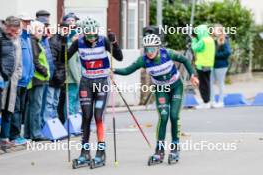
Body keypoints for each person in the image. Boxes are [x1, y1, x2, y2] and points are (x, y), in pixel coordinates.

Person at [113, 34, 199, 164]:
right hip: (160, 89)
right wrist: (112, 70)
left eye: (152, 49)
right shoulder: (143, 60)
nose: (150, 52)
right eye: (147, 49)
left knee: (174, 116)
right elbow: (127, 70)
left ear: (158, 47)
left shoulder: (168, 53)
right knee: (163, 117)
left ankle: (175, 147)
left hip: (176, 86)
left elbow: (185, 60)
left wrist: (192, 75)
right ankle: (159, 150)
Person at [65, 17, 123, 168]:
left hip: (102, 82)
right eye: (88, 35)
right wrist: (68, 43)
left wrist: (114, 42)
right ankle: (85, 152)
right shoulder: (79, 42)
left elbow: (119, 57)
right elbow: (62, 58)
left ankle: (100, 152)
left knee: (98, 116)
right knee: (86, 116)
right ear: (84, 33)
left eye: (94, 34)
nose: (92, 38)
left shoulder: (103, 40)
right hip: (86, 83)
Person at [8, 14, 35, 145]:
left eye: (29, 22)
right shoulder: (16, 38)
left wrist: (31, 73)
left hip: (26, 81)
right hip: (17, 81)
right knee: (16, 109)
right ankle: (14, 136)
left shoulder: (28, 38)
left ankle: (16, 135)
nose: (27, 24)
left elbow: (30, 57)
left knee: (20, 109)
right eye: (25, 22)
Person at [24, 21, 50, 141]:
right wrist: (44, 71)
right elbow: (36, 61)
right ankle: (36, 133)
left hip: (37, 79)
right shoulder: (34, 42)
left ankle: (29, 133)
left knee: (32, 106)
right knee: (36, 106)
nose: (41, 33)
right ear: (33, 31)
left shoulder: (35, 42)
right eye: (39, 30)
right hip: (37, 78)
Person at [0, 16, 22, 149]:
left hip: (12, 79)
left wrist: (18, 74)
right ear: (6, 27)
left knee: (8, 109)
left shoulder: (17, 39)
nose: (14, 33)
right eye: (12, 30)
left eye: (16, 31)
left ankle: (4, 138)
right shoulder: (2, 38)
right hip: (2, 78)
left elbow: (19, 60)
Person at [58, 12, 81, 124]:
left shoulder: (76, 37)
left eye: (73, 20)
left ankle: (74, 124)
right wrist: (78, 79)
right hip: (71, 78)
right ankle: (70, 124)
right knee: (70, 102)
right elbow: (72, 64)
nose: (72, 23)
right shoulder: (69, 42)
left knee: (74, 102)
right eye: (69, 20)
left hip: (75, 77)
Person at [191, 24, 215, 108]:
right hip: (209, 65)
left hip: (202, 65)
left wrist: (194, 40)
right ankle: (208, 101)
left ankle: (206, 102)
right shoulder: (210, 40)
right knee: (207, 83)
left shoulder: (203, 41)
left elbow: (195, 48)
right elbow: (202, 49)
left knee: (203, 85)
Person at [210, 24, 231, 108]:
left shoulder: (224, 39)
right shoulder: (212, 40)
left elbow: (227, 52)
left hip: (221, 66)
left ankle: (221, 101)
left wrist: (215, 55)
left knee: (220, 83)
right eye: (214, 29)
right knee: (210, 83)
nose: (215, 31)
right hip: (212, 65)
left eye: (217, 29)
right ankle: (212, 101)